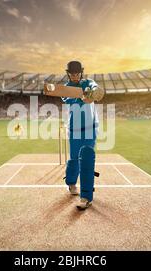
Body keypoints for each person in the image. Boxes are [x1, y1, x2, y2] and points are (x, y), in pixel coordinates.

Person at [62, 61, 104, 210]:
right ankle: (71, 183)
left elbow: (93, 87)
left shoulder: (88, 82)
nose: (75, 76)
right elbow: (68, 97)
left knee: (86, 159)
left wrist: (93, 91)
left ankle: (86, 196)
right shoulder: (66, 87)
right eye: (72, 74)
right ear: (68, 74)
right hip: (74, 129)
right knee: (74, 158)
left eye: (77, 73)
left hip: (90, 129)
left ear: (81, 73)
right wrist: (82, 96)